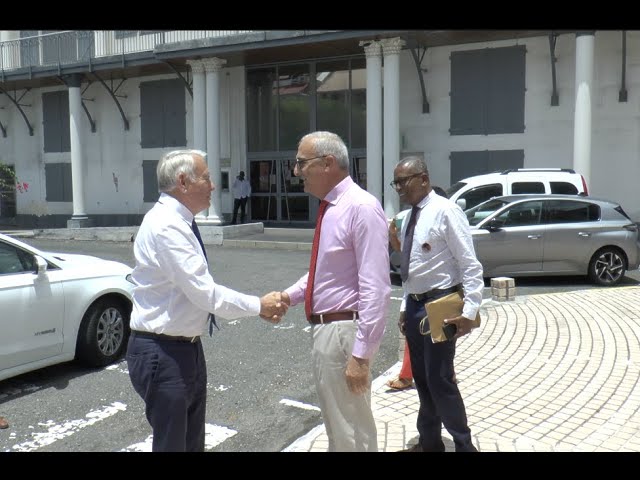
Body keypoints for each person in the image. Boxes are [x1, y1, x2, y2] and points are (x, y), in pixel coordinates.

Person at [126, 149, 287, 452]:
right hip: (163, 351)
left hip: (182, 347)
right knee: (173, 445)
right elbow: (205, 293)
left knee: (190, 443)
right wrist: (259, 305)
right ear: (184, 182)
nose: (213, 186)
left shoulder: (179, 220)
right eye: (208, 178)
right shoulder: (166, 225)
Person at [280, 131, 391, 452]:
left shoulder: (361, 207)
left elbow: (376, 286)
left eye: (301, 163)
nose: (297, 171)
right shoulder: (332, 208)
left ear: (327, 163)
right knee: (338, 427)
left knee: (352, 430)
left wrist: (361, 355)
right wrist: (289, 296)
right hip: (329, 330)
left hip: (344, 332)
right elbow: (323, 273)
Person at [392, 156, 483, 452]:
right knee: (422, 379)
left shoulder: (446, 211)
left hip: (441, 306)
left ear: (423, 179)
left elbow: (469, 264)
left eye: (403, 182)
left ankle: (464, 445)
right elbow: (411, 268)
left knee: (440, 379)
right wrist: (405, 308)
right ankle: (430, 443)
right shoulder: (409, 217)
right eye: (396, 183)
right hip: (417, 306)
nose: (399, 189)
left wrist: (469, 312)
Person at [386, 185, 452, 391]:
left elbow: (466, 263)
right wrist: (392, 235)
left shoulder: (446, 219)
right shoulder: (411, 220)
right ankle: (426, 376)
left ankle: (435, 378)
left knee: (442, 341)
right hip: (414, 294)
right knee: (417, 339)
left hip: (440, 295)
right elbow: (405, 253)